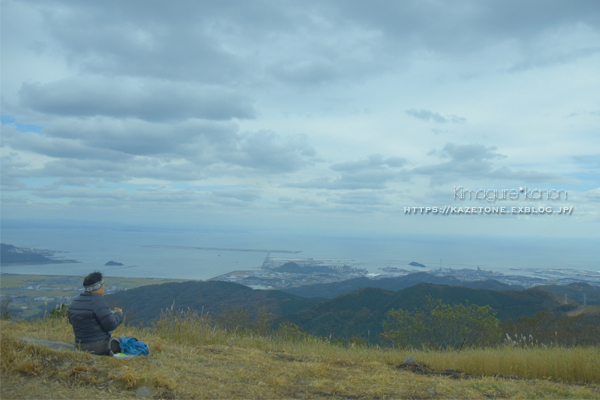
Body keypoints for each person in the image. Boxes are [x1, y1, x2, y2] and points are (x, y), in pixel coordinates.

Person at [68, 271, 123, 355]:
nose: (104, 287)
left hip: (80, 345)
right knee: (126, 342)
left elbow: (72, 321)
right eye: (103, 284)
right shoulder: (98, 302)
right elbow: (111, 324)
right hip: (98, 346)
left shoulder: (75, 301)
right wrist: (119, 314)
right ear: (99, 286)